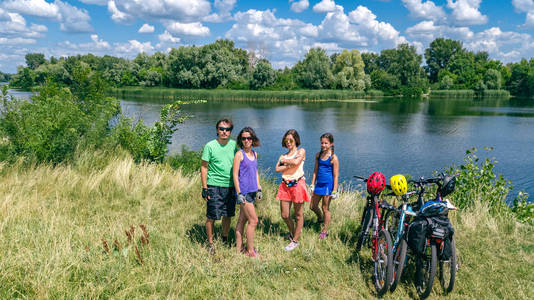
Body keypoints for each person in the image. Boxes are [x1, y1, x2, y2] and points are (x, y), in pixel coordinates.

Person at [201, 118, 237, 255]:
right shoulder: (210, 146)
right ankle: (210, 244)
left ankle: (224, 238)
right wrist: (205, 188)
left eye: (227, 129)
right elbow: (204, 167)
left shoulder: (235, 146)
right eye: (221, 129)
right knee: (212, 216)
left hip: (230, 186)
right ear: (217, 130)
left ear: (230, 132)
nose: (224, 132)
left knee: (228, 215)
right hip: (214, 185)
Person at [275, 129, 310, 251]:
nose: (288, 142)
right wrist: (289, 163)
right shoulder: (283, 155)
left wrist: (285, 163)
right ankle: (293, 232)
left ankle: (295, 240)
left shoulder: (301, 151)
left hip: (298, 185)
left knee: (298, 215)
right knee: (285, 215)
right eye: (286, 140)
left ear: (296, 140)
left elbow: (296, 162)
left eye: (291, 140)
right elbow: (277, 169)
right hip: (285, 185)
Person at [232, 127, 262, 258]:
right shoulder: (239, 154)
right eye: (243, 138)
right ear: (241, 140)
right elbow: (234, 175)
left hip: (252, 191)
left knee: (242, 220)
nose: (246, 141)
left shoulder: (254, 154)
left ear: (253, 139)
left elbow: (255, 172)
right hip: (243, 193)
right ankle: (251, 252)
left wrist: (259, 188)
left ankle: (239, 249)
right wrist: (239, 193)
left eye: (249, 138)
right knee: (254, 221)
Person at [309, 133, 339, 240]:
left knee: (325, 208)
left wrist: (334, 190)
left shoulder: (333, 158)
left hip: (328, 186)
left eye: (326, 143)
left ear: (331, 144)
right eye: (322, 143)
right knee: (312, 206)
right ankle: (320, 218)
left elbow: (335, 176)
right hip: (319, 184)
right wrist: (312, 184)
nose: (323, 145)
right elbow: (315, 171)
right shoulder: (318, 155)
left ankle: (325, 231)